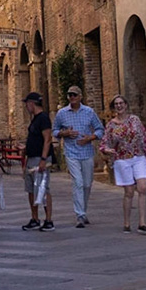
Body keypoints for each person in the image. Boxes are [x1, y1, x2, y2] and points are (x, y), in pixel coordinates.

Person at [101, 95, 146, 234]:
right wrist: (108, 150)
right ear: (114, 107)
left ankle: (142, 223)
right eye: (116, 104)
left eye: (121, 103)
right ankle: (126, 223)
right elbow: (104, 144)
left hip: (139, 156)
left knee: (142, 187)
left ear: (126, 105)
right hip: (122, 159)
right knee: (129, 191)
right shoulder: (111, 125)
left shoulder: (135, 120)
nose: (119, 106)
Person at [53, 86, 104, 227]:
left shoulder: (89, 112)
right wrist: (64, 133)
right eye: (69, 95)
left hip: (87, 152)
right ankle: (79, 215)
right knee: (78, 182)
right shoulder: (62, 113)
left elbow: (100, 129)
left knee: (87, 184)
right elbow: (55, 130)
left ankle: (83, 211)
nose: (72, 97)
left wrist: (90, 138)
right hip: (71, 152)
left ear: (80, 96)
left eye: (74, 95)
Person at [21, 91, 55, 231]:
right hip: (31, 158)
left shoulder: (43, 118)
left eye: (27, 104)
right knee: (31, 189)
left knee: (43, 188)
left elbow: (47, 139)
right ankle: (34, 218)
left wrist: (43, 159)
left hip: (40, 159)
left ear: (32, 103)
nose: (26, 107)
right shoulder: (34, 119)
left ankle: (48, 220)